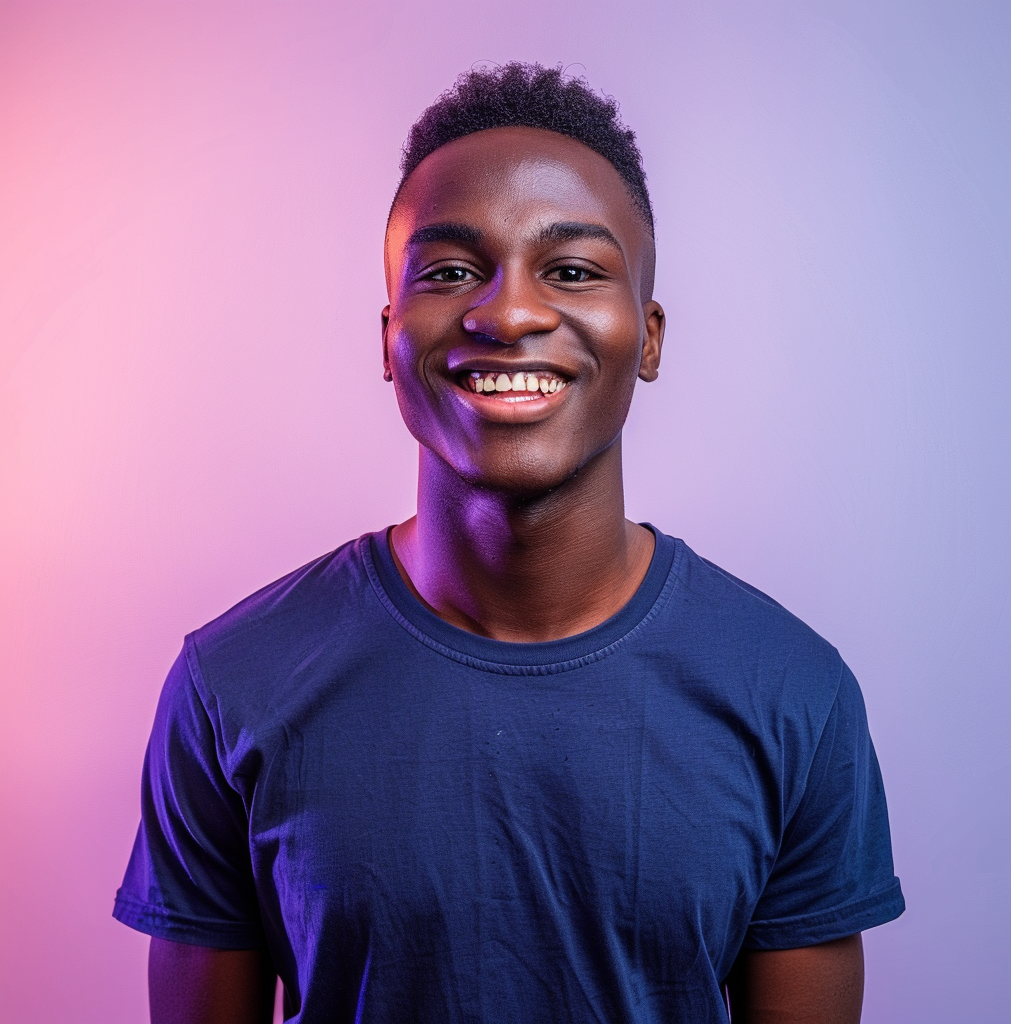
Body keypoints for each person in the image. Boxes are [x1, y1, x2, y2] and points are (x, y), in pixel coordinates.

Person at [114, 63, 904, 1024]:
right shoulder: (232, 682)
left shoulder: (793, 693)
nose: (510, 313)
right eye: (449, 272)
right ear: (389, 335)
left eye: (571, 270)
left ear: (648, 338)